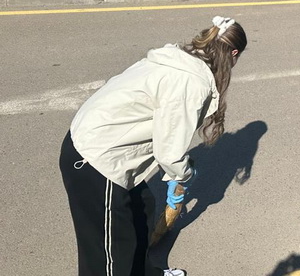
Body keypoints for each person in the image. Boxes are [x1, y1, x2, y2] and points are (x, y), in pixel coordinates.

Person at [59, 16, 247, 276]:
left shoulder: (179, 58)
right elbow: (169, 152)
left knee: (142, 210)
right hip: (96, 159)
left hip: (100, 142)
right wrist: (183, 175)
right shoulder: (192, 82)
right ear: (234, 54)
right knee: (110, 253)